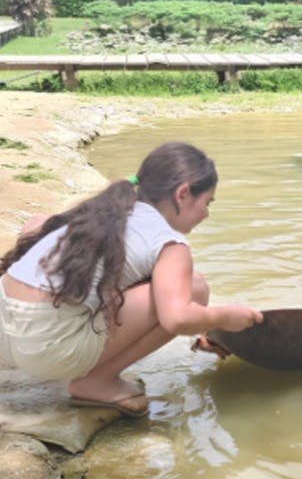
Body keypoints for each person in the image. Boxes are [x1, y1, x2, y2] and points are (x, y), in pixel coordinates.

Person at [0, 141, 263, 417]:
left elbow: (35, 228)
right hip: (47, 350)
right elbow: (176, 317)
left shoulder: (105, 211)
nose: (206, 214)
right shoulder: (171, 245)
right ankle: (96, 381)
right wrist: (223, 317)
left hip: (6, 334)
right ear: (183, 194)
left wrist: (204, 330)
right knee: (195, 288)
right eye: (207, 203)